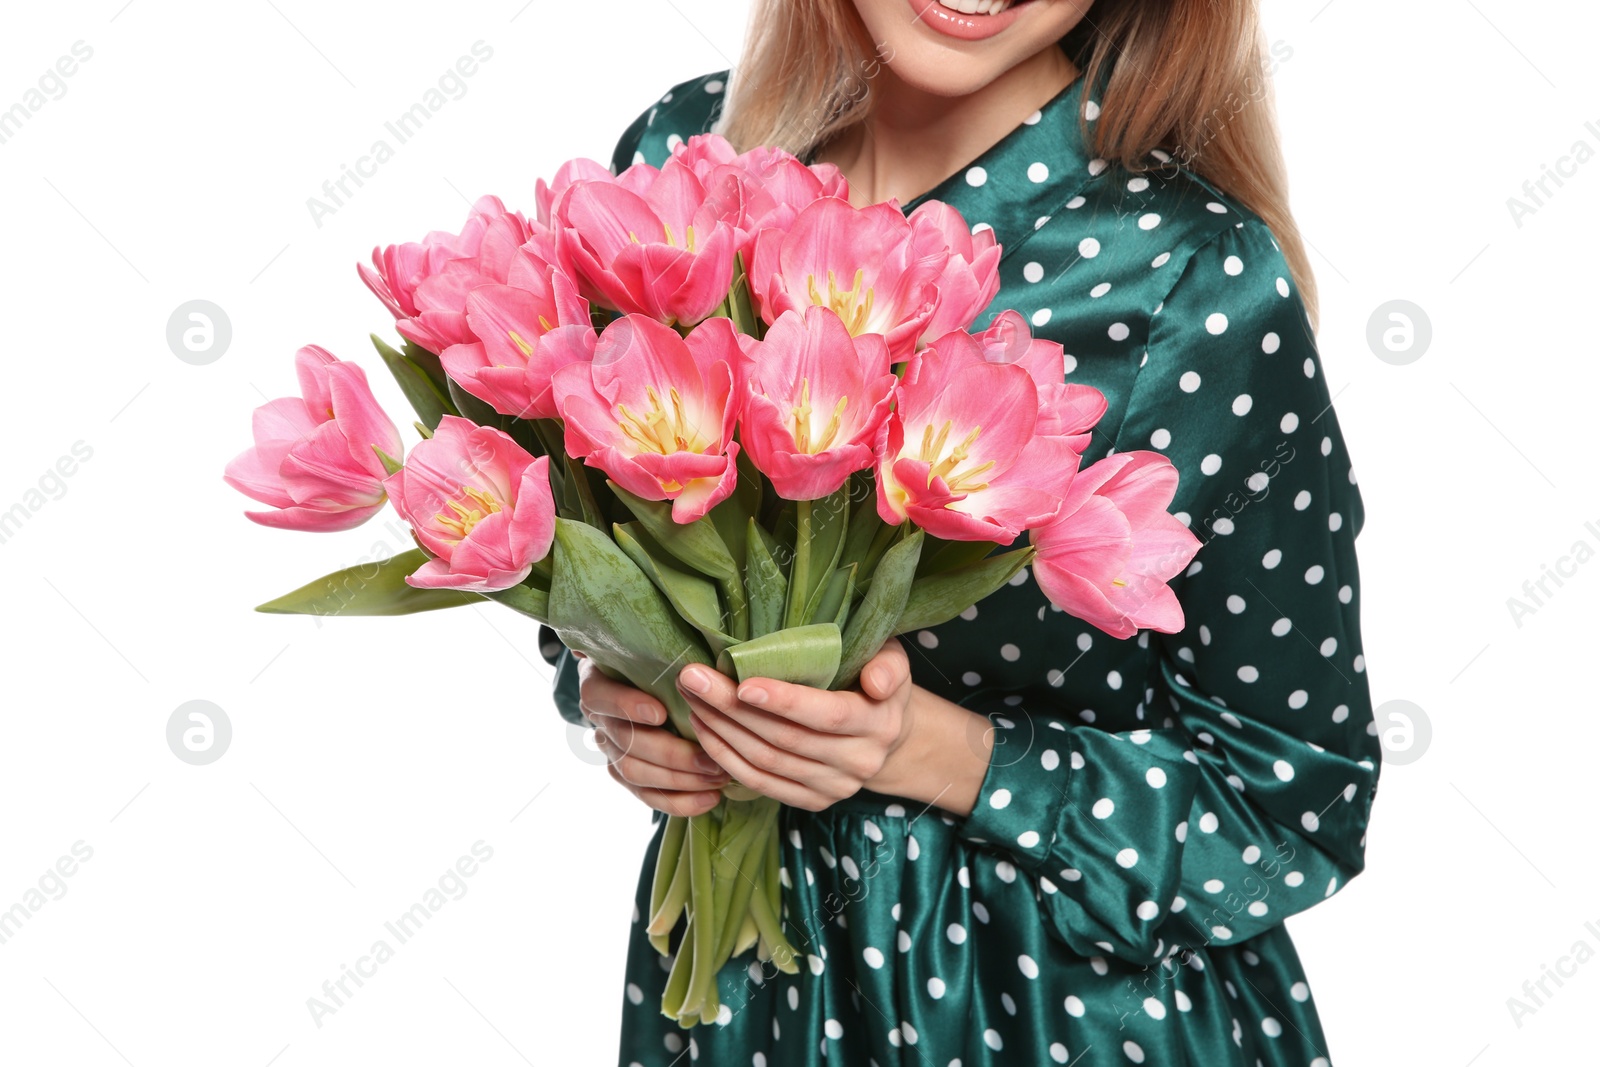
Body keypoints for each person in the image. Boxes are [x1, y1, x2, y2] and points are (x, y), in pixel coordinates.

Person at [541, 1, 1380, 1063]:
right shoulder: (683, 169)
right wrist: (630, 698)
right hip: (743, 1007)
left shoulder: (1189, 275)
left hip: (1068, 1018)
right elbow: (594, 545)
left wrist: (943, 754)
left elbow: (1294, 808)